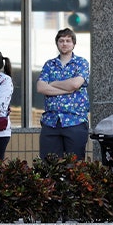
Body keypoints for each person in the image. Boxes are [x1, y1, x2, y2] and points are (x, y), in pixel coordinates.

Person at [36, 27, 90, 160]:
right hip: (51, 121)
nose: (64, 43)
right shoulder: (49, 64)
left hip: (75, 120)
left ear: (73, 44)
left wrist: (52, 83)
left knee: (75, 166)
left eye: (68, 40)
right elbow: (40, 87)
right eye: (61, 41)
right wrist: (68, 89)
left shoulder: (81, 63)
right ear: (57, 43)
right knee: (49, 165)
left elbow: (75, 84)